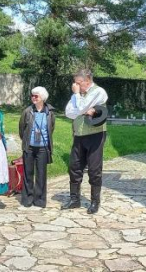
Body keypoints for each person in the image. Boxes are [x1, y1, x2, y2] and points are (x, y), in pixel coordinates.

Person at [63, 69, 108, 214]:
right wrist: (82, 108)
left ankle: (95, 201)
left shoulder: (98, 92)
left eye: (78, 83)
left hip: (95, 135)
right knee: (74, 167)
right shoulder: (78, 95)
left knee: (94, 169)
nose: (75, 86)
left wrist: (78, 101)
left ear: (87, 81)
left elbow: (81, 107)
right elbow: (69, 112)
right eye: (75, 83)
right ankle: (74, 200)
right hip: (79, 135)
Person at [18, 86, 55, 208]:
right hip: (29, 147)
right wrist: (27, 140)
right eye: (32, 95)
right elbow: (22, 129)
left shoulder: (50, 112)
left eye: (36, 96)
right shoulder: (27, 111)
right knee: (28, 173)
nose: (33, 98)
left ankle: (39, 199)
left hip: (43, 148)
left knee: (41, 174)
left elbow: (51, 129)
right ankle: (27, 199)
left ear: (42, 98)